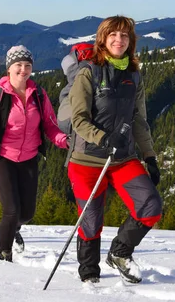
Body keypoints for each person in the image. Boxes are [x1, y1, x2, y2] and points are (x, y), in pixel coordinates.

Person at [67, 15, 162, 283]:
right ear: (103, 39)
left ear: (131, 41)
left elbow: (139, 120)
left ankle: (120, 252)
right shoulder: (89, 73)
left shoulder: (134, 75)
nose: (119, 40)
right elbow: (78, 120)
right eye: (113, 35)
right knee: (91, 221)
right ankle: (89, 276)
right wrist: (104, 138)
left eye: (124, 35)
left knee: (150, 204)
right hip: (87, 159)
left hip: (122, 158)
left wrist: (150, 156)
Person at [0, 45, 69, 262]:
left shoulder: (38, 94)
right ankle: (4, 254)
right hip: (2, 156)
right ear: (9, 68)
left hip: (28, 157)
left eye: (27, 65)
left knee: (26, 213)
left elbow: (49, 124)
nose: (23, 70)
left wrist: (64, 140)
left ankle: (13, 228)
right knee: (11, 209)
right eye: (18, 65)